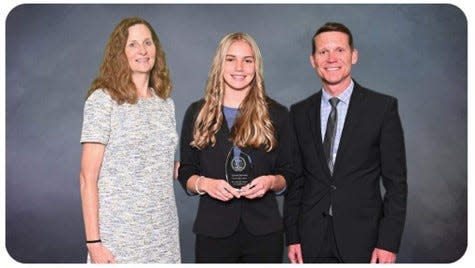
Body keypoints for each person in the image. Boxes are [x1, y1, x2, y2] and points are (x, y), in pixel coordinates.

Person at [284, 22, 407, 263]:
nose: (331, 58)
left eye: (339, 50)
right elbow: (296, 180)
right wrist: (293, 236)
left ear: (354, 55)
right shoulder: (299, 112)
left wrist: (388, 242)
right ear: (313, 60)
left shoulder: (382, 108)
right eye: (323, 52)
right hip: (311, 238)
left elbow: (396, 184)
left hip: (365, 240)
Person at [178, 32, 294, 263]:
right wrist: (205, 184)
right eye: (230, 59)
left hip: (265, 233)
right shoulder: (197, 113)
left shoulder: (278, 114)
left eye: (247, 60)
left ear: (256, 66)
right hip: (213, 232)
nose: (239, 67)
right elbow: (186, 171)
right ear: (219, 64)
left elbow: (289, 171)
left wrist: (271, 182)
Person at [79, 17, 181, 263]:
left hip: (163, 237)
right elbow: (87, 177)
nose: (143, 50)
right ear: (120, 53)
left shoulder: (165, 104)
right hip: (119, 239)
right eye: (133, 44)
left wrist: (196, 167)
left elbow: (160, 165)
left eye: (147, 42)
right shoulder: (103, 101)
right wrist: (94, 244)